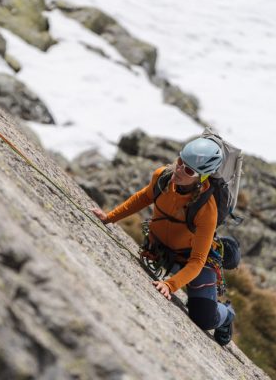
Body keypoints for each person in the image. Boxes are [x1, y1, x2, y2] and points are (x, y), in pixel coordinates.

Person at [91, 137, 236, 346]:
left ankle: (227, 314)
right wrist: (109, 217)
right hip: (162, 250)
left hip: (191, 259)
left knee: (204, 319)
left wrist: (170, 285)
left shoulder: (207, 210)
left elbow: (196, 261)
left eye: (188, 171)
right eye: (180, 162)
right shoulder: (163, 178)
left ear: (202, 178)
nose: (179, 170)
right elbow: (143, 198)